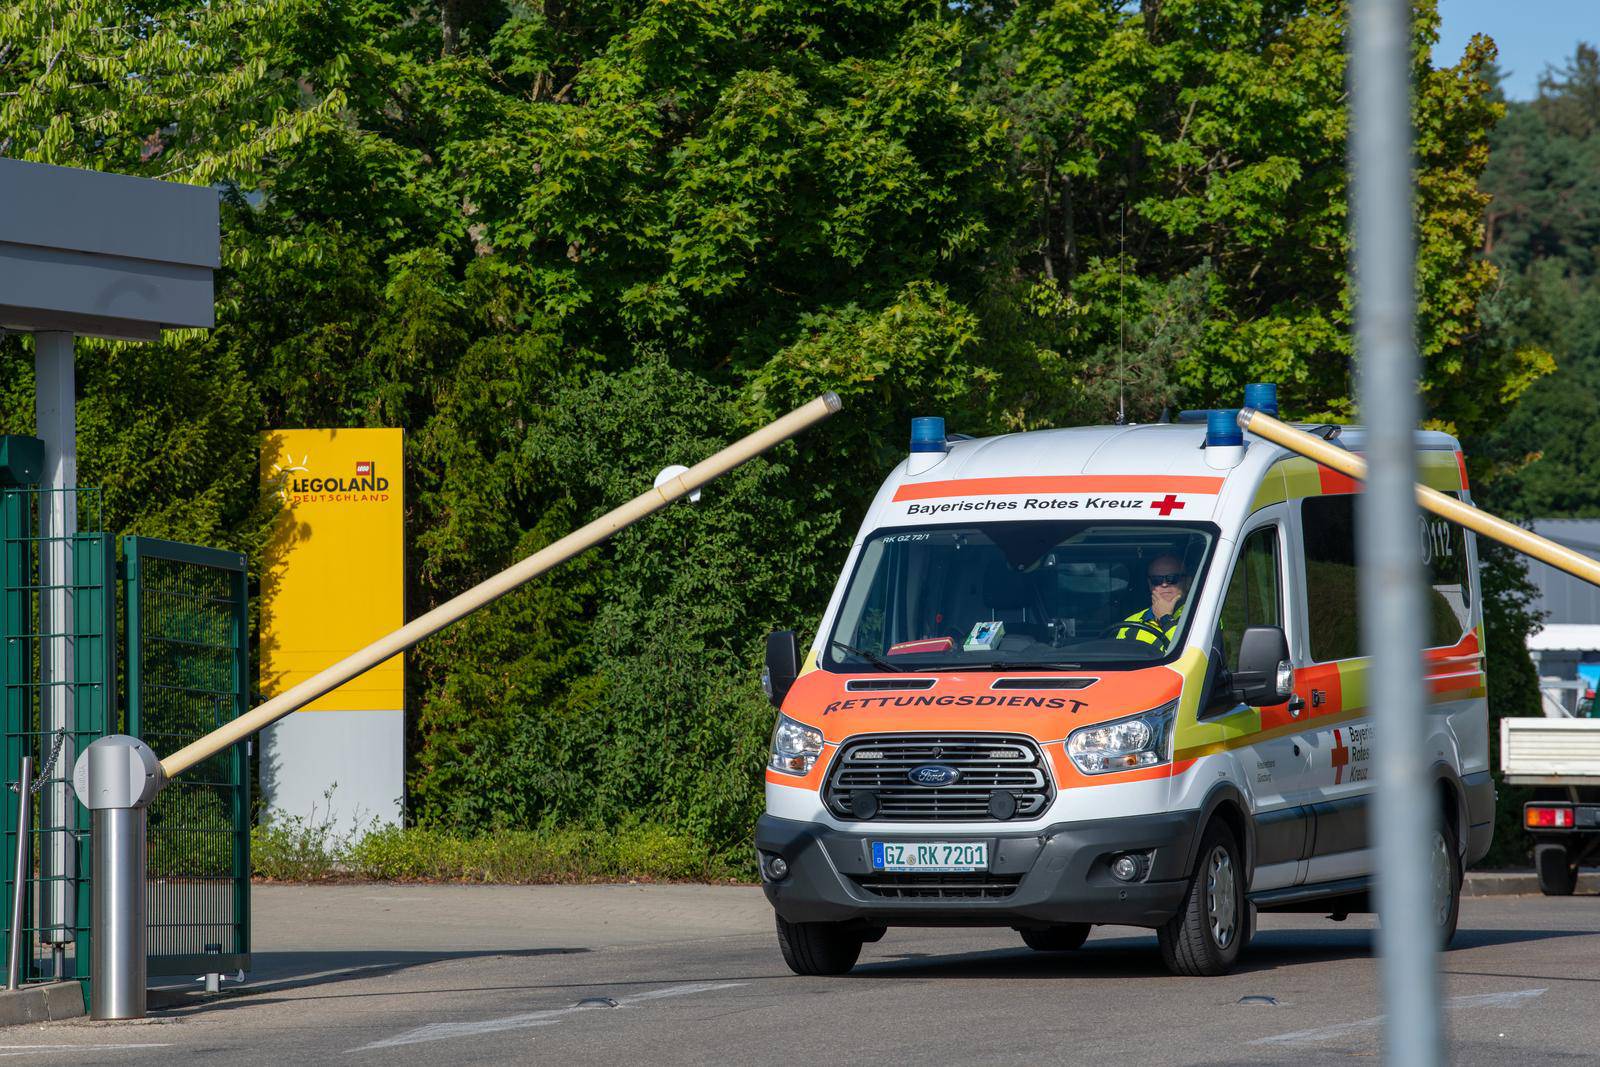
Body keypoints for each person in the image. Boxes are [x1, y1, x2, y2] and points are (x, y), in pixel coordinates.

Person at [1116, 554, 1190, 648]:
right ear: (1150, 584)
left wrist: (1165, 619)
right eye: (1157, 580)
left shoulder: (1198, 617)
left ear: (1187, 582)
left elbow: (1189, 653)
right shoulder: (1131, 622)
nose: (1164, 584)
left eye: (1172, 578)